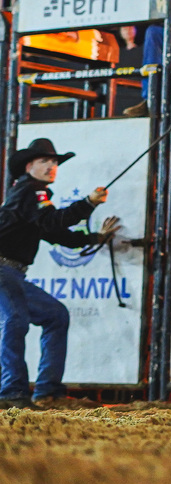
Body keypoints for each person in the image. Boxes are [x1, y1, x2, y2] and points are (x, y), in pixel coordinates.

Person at [0, 139, 119, 409]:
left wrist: (94, 237)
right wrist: (88, 203)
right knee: (16, 320)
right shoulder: (32, 192)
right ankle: (13, 393)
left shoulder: (29, 195)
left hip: (11, 273)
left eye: (54, 162)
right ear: (29, 166)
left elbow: (55, 233)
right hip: (5, 271)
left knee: (53, 316)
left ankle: (45, 391)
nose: (51, 166)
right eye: (44, 161)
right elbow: (54, 223)